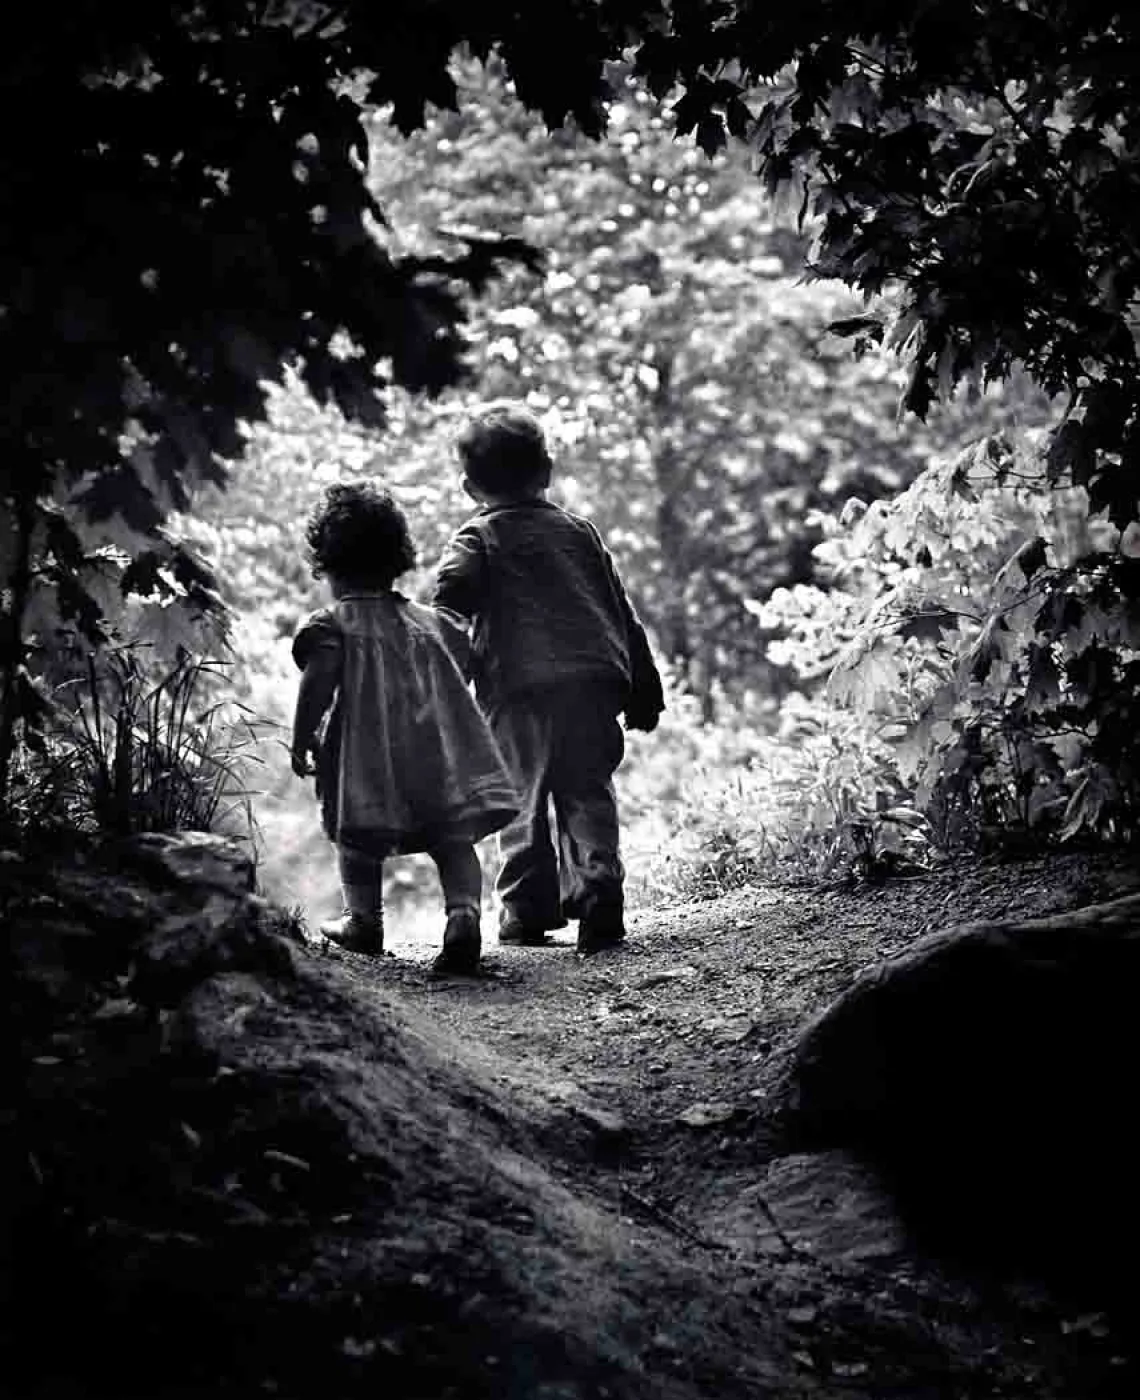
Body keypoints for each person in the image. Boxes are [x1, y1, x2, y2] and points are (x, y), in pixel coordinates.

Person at [432, 402, 664, 956]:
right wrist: (644, 684)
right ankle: (599, 885)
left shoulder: (477, 537)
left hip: (518, 689)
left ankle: (525, 910)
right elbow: (620, 609)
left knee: (520, 799)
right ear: (548, 470)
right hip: (593, 681)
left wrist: (444, 646)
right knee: (587, 788)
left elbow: (451, 595)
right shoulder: (580, 533)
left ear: (469, 487)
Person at [291, 482, 519, 975]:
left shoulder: (333, 624)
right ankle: (463, 917)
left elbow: (317, 685)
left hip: (367, 758)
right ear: (397, 557)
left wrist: (301, 736)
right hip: (438, 754)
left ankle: (364, 923)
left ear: (327, 565)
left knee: (355, 840)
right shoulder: (430, 622)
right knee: (453, 838)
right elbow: (466, 659)